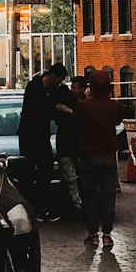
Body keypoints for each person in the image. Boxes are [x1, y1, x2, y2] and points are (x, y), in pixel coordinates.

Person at [77, 72, 124, 249]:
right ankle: (107, 234)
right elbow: (118, 121)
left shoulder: (83, 106)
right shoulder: (114, 106)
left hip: (88, 155)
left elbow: (77, 124)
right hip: (108, 155)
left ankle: (92, 234)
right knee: (108, 195)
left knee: (90, 196)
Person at [18, 61, 67, 221]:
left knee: (45, 171)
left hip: (43, 136)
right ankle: (31, 207)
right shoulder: (33, 87)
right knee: (29, 173)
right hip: (29, 137)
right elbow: (37, 111)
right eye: (60, 80)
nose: (60, 83)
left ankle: (42, 206)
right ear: (53, 76)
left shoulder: (53, 90)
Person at [53, 74, 86, 215]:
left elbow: (85, 119)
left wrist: (69, 111)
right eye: (71, 87)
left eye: (75, 87)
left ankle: (84, 205)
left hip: (81, 146)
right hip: (67, 146)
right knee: (71, 178)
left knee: (84, 177)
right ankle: (78, 207)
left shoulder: (86, 104)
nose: (72, 89)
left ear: (83, 89)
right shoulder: (66, 100)